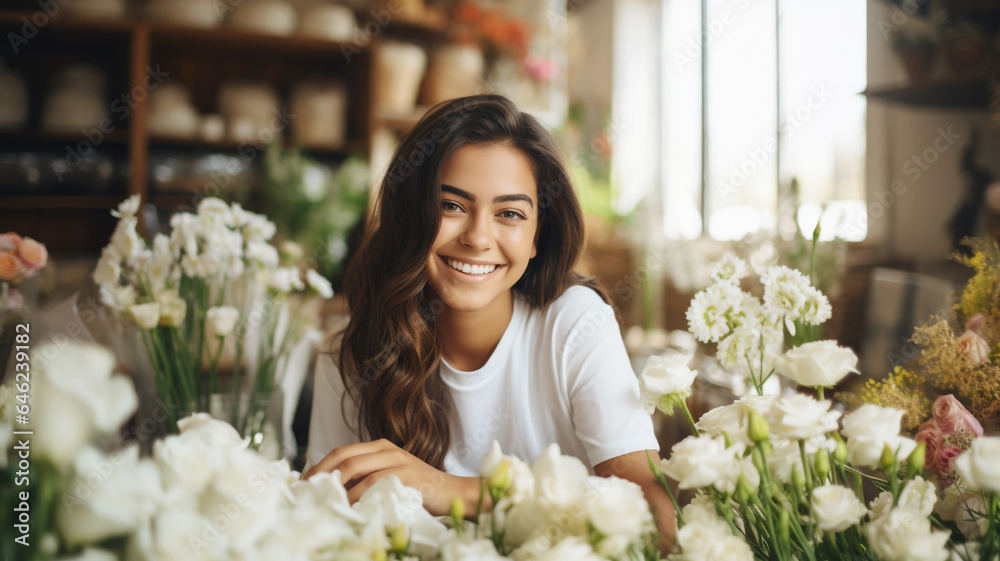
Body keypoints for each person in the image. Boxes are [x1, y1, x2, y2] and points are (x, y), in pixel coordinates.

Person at [303, 94, 676, 548]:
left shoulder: (574, 324)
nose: (479, 238)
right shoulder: (349, 352)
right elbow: (321, 528)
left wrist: (446, 489)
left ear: (539, 236)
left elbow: (655, 517)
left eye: (510, 214)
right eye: (452, 206)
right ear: (410, 217)